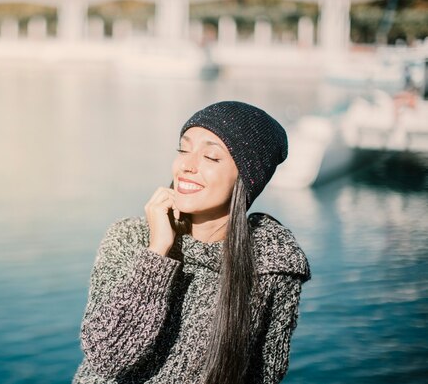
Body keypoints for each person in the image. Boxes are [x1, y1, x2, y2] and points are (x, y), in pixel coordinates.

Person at [73, 101, 311, 384]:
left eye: (211, 157)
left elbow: (265, 374)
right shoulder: (129, 238)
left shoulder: (271, 264)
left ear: (247, 179)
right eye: (183, 150)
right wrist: (157, 253)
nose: (186, 165)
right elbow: (106, 357)